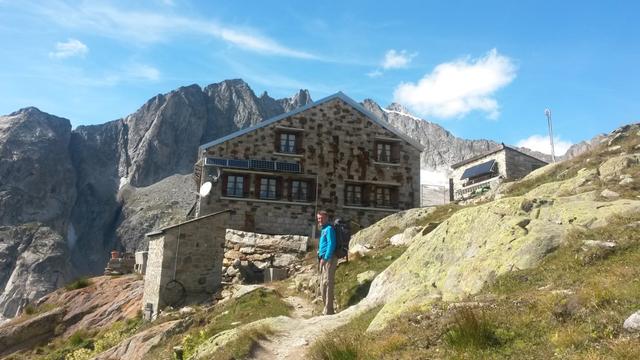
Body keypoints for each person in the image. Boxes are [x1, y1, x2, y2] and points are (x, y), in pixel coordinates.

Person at [317, 210, 337, 315]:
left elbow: (331, 243)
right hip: (323, 258)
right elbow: (324, 244)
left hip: (330, 259)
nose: (320, 220)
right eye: (318, 218)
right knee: (323, 284)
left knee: (328, 283)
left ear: (326, 218)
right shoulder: (323, 229)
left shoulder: (329, 229)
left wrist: (326, 257)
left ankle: (329, 310)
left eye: (321, 218)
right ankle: (326, 307)